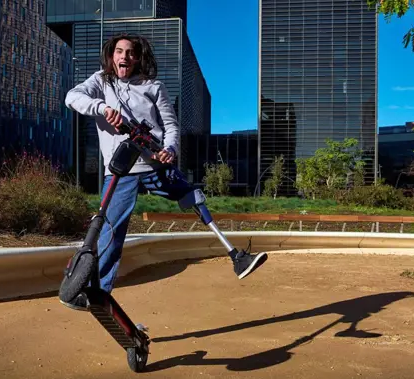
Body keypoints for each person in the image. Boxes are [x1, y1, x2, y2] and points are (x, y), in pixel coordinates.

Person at [62, 34, 266, 311]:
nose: (124, 57)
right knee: (110, 231)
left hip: (156, 163)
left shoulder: (153, 86)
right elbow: (72, 97)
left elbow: (170, 125)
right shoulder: (101, 81)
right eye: (119, 52)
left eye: (130, 53)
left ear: (138, 57)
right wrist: (101, 107)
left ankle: (236, 256)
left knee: (193, 196)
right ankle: (98, 291)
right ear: (112, 56)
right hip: (122, 170)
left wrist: (170, 148)